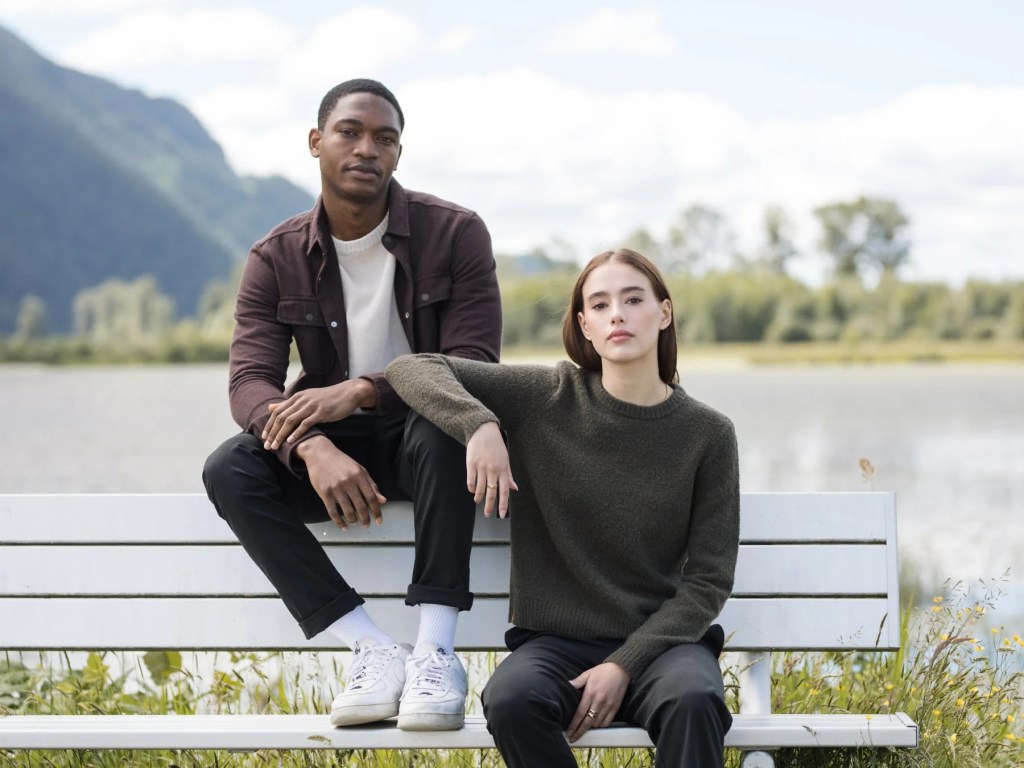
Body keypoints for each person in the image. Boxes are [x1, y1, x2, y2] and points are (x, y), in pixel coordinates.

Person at [202, 78, 502, 732]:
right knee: (230, 467)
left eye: (384, 138)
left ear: (398, 154)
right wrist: (309, 446)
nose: (367, 148)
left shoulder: (456, 233)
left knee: (443, 425)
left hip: (429, 443)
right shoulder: (275, 256)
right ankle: (371, 648)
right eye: (350, 132)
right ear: (316, 142)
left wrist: (364, 389)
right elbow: (249, 383)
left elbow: (474, 364)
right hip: (335, 453)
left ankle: (435, 653)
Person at [385, 248, 739, 766]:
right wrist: (479, 424)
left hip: (664, 645)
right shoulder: (547, 396)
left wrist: (623, 664)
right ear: (584, 325)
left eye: (633, 299)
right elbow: (412, 368)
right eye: (600, 304)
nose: (616, 315)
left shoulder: (708, 434)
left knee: (695, 699)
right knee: (511, 700)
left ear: (663, 313)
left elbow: (708, 582)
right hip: (556, 645)